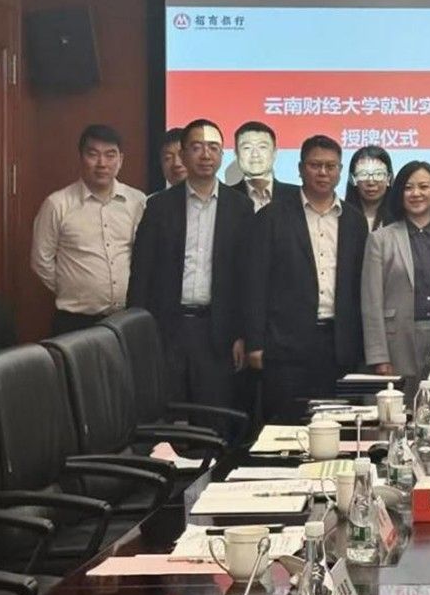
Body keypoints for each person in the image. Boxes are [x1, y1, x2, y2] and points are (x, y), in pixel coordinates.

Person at [128, 118, 253, 408]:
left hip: (217, 330)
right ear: (183, 155)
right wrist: (138, 333)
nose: (206, 155)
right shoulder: (159, 206)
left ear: (223, 155)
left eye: (213, 148)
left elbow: (246, 279)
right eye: (197, 147)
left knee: (213, 416)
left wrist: (242, 334)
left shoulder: (241, 207)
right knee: (166, 413)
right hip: (167, 327)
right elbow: (142, 273)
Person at [244, 135, 367, 422]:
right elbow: (255, 283)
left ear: (340, 171)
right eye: (315, 165)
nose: (323, 172)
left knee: (340, 425)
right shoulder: (272, 216)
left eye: (330, 166)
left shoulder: (354, 220)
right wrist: (254, 342)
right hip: (286, 344)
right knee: (287, 426)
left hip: (340, 344)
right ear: (300, 169)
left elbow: (360, 285)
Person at [31, 124, 147, 335]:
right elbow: (41, 260)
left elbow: (143, 256)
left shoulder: (137, 201)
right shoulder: (57, 204)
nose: (102, 163)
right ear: (81, 157)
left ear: (121, 159)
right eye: (93, 154)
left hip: (125, 319)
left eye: (110, 155)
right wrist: (71, 288)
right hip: (75, 321)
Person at [361, 161, 430, 376]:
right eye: (408, 188)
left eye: (424, 187)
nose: (416, 193)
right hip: (397, 341)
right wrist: (379, 356)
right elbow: (371, 302)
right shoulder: (380, 239)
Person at [230, 120, 298, 211]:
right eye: (247, 148)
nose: (255, 154)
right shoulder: (224, 198)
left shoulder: (298, 196)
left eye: (262, 147)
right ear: (236, 153)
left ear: (274, 152)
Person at [344, 145, 394, 231]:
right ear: (353, 179)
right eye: (363, 174)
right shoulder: (341, 216)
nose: (371, 182)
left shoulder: (401, 218)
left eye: (378, 174)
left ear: (389, 178)